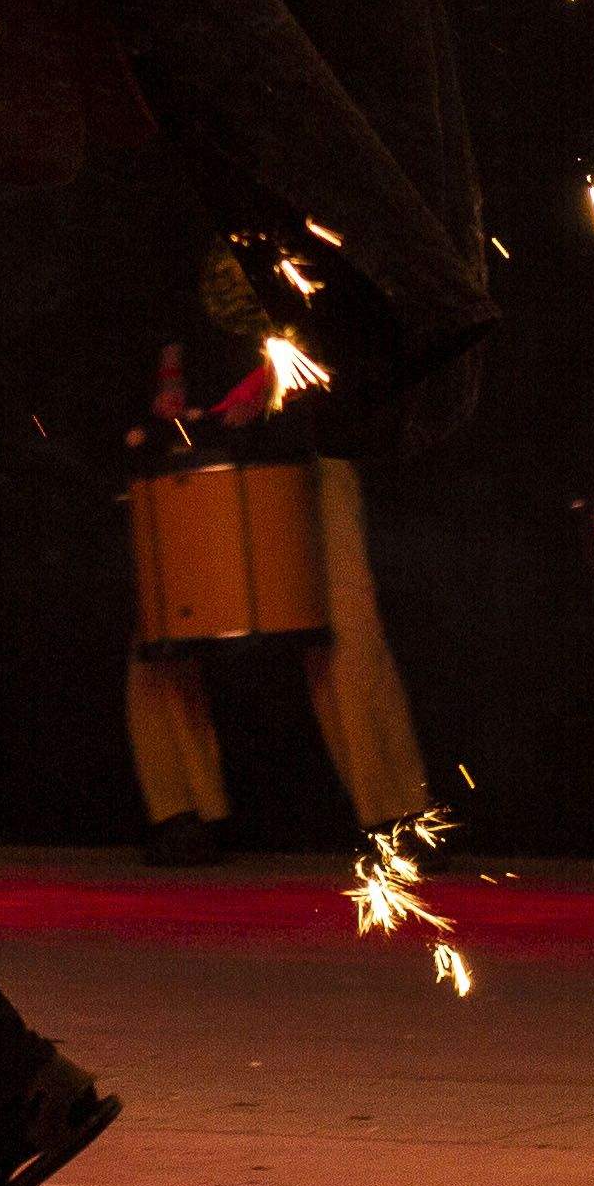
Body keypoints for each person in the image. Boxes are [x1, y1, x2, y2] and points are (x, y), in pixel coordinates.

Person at [120, 249, 430, 870]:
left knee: (346, 628)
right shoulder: (173, 223)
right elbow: (163, 314)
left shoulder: (306, 225)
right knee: (162, 633)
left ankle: (396, 815)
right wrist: (170, 378)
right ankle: (184, 814)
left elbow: (337, 321)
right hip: (196, 457)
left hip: (311, 447)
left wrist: (271, 382)